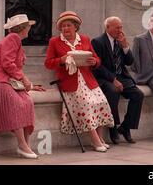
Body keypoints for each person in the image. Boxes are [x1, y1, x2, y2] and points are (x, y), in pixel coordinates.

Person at [45, 11, 114, 152]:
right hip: (70, 82)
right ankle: (94, 140)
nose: (65, 28)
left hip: (88, 80)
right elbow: (48, 63)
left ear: (75, 26)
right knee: (88, 104)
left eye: (68, 25)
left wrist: (94, 61)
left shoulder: (85, 39)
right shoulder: (54, 42)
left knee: (101, 102)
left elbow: (97, 60)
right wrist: (62, 60)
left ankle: (100, 138)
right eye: (63, 26)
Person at [0, 14, 45, 159]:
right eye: (28, 26)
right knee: (17, 104)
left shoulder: (15, 40)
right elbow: (7, 63)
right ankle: (22, 145)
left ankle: (25, 146)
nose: (30, 28)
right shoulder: (13, 38)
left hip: (7, 80)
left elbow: (13, 67)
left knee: (28, 102)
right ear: (23, 28)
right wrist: (24, 78)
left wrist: (29, 85)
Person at [91, 16, 144, 144]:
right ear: (108, 27)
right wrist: (113, 79)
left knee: (138, 95)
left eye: (121, 27)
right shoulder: (97, 42)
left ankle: (125, 127)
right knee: (113, 91)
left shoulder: (120, 41)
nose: (120, 30)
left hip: (122, 77)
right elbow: (97, 67)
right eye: (117, 27)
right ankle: (113, 127)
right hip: (105, 78)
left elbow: (130, 62)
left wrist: (125, 46)